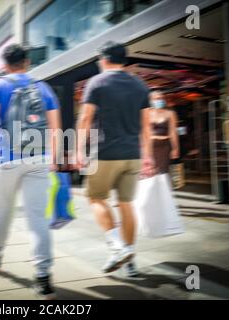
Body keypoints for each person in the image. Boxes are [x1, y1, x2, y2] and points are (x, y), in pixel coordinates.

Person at [0, 44, 61, 299]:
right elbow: (56, 126)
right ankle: (43, 277)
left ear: (4, 64)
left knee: (3, 213)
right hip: (40, 158)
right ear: (27, 63)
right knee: (38, 218)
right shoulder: (43, 88)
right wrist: (53, 158)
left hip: (7, 159)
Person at [76, 41, 154, 278]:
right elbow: (146, 125)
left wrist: (79, 149)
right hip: (133, 155)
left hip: (104, 153)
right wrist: (148, 155)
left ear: (104, 59)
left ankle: (117, 247)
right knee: (126, 204)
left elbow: (86, 119)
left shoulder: (97, 82)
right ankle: (130, 261)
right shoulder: (141, 85)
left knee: (95, 198)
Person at [149, 90, 180, 173]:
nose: (159, 100)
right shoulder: (146, 113)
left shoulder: (170, 113)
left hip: (164, 146)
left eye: (161, 98)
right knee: (151, 171)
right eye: (156, 99)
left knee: (163, 171)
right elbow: (143, 132)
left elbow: (173, 132)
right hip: (150, 146)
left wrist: (175, 148)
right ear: (151, 101)